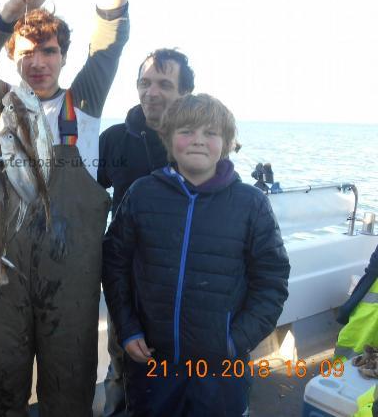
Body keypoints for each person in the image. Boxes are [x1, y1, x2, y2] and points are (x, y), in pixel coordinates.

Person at [0, 0, 129, 414]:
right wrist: (9, 10)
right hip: (3, 278)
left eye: (49, 51)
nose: (37, 61)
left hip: (71, 285)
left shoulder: (88, 102)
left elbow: (113, 31)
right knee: (1, 393)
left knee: (69, 397)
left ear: (63, 57)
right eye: (26, 51)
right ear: (12, 56)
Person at [102, 94, 290, 417]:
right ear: (168, 138)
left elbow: (272, 282)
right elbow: (114, 264)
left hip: (221, 372)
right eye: (187, 131)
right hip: (152, 366)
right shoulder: (141, 194)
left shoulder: (251, 204)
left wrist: (235, 341)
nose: (198, 141)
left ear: (227, 142)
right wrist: (127, 327)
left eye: (211, 133)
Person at [97, 49, 195, 417]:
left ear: (184, 92)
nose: (151, 92)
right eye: (145, 83)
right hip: (127, 284)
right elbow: (91, 192)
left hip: (184, 287)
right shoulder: (113, 140)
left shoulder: (196, 144)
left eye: (164, 84)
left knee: (179, 382)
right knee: (121, 373)